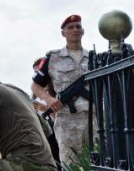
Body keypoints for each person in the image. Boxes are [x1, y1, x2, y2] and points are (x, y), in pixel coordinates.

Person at [31, 14, 91, 166]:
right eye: (70, 27)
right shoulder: (53, 58)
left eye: (78, 26)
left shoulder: (94, 58)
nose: (75, 30)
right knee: (70, 165)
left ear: (83, 31)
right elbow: (35, 85)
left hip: (93, 119)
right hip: (67, 121)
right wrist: (49, 99)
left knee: (97, 164)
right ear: (63, 33)